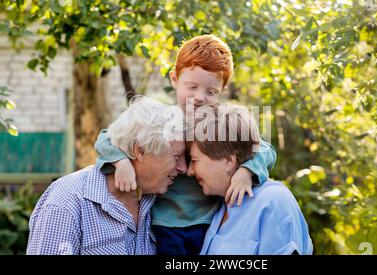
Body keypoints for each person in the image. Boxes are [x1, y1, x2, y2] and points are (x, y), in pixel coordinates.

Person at [94, 34, 277, 255]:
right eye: (192, 87)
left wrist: (247, 170)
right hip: (166, 223)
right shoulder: (160, 118)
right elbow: (108, 136)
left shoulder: (219, 123)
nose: (199, 97)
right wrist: (120, 160)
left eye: (210, 92)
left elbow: (263, 149)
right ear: (175, 79)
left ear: (221, 92)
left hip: (210, 220)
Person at [26, 98, 187, 255]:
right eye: (176, 157)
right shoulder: (66, 203)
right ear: (140, 151)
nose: (183, 168)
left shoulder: (157, 201)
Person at [187, 104, 313, 255]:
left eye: (195, 161)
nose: (189, 171)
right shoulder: (221, 205)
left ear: (228, 160)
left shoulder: (273, 201)